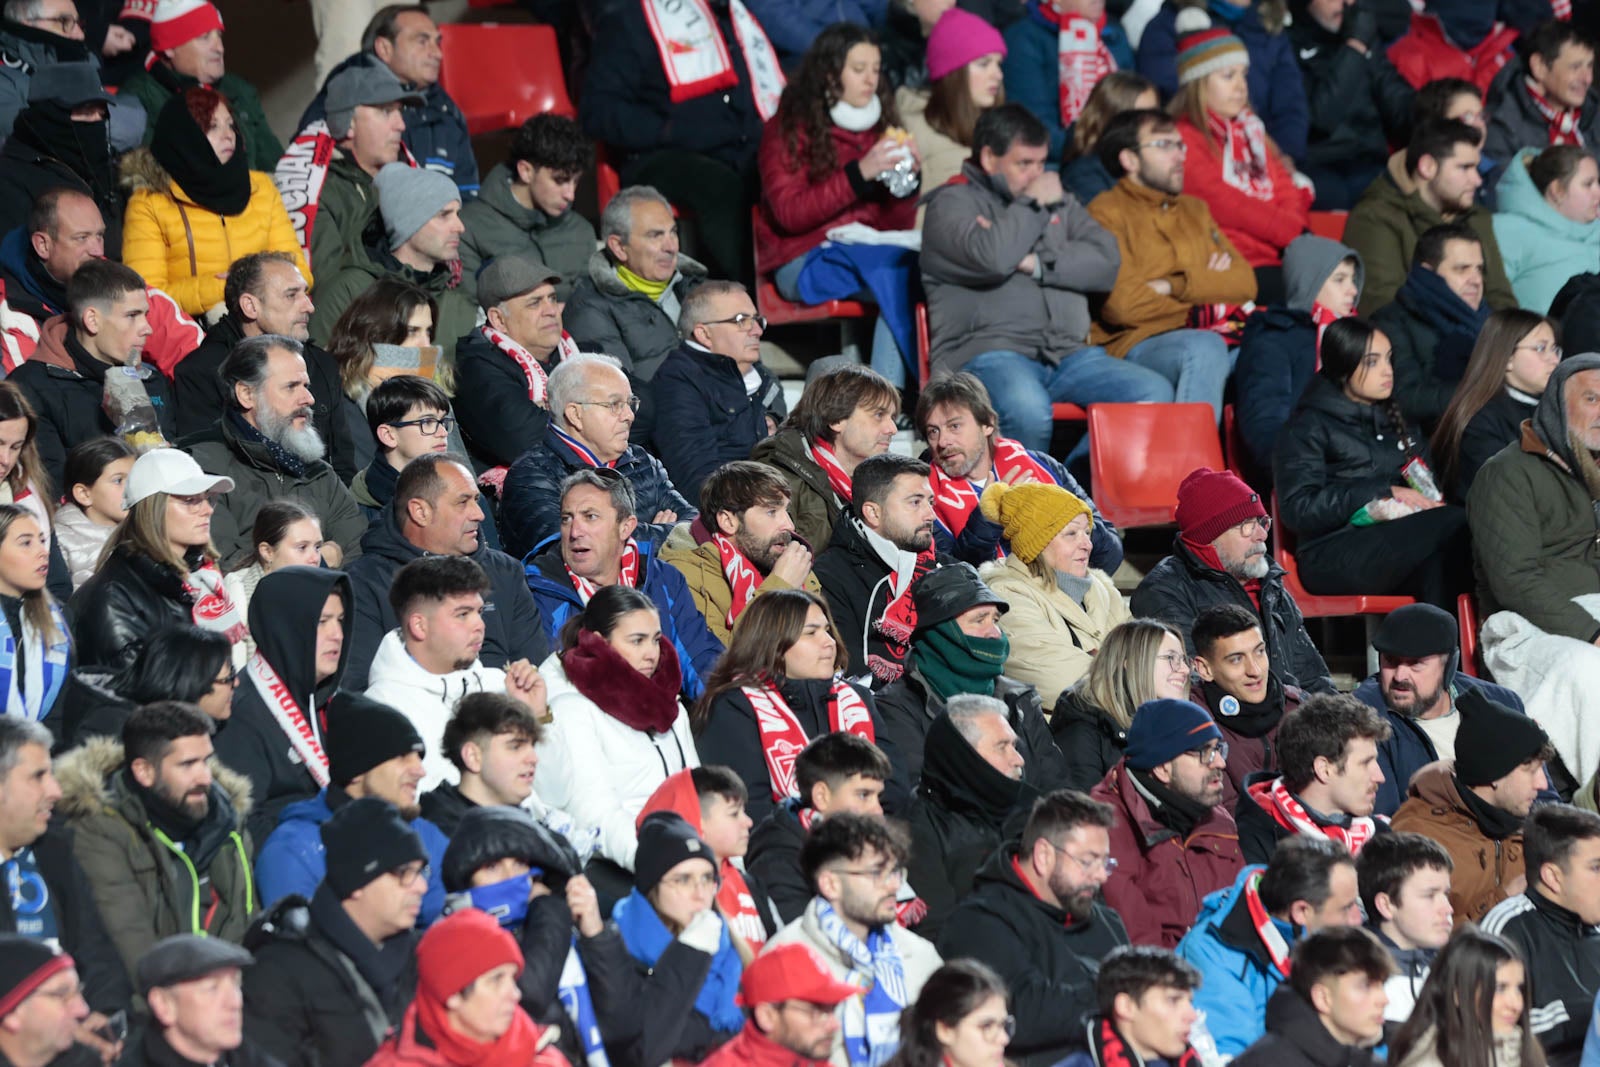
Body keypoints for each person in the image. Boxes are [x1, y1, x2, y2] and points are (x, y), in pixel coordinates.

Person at [918, 104, 1175, 457]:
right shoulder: (951, 204)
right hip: (986, 355)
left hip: (1067, 354)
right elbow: (993, 258)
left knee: (1152, 392)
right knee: (1027, 408)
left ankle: (1073, 480)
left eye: (1041, 164)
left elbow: (1106, 262)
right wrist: (1032, 205)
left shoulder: (1058, 200)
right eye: (1024, 164)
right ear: (989, 158)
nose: (1036, 175)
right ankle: (1026, 493)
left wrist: (1035, 263)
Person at [756, 24, 920, 387]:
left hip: (867, 253)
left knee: (922, 270)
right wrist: (859, 174)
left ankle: (897, 395)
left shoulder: (880, 128)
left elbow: (895, 225)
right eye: (858, 69)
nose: (870, 80)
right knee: (896, 276)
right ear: (830, 74)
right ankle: (887, 400)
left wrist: (907, 183)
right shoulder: (787, 128)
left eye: (875, 69)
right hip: (802, 258)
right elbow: (788, 212)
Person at [1273, 317, 1472, 611]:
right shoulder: (1307, 426)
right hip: (1332, 550)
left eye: (1389, 359)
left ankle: (1446, 642)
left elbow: (1426, 483)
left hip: (1400, 538)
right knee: (1458, 524)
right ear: (1343, 366)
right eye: (1372, 362)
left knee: (1444, 565)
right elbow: (1298, 509)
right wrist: (1381, 491)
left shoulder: (1397, 418)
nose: (1387, 370)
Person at [54, 701, 253, 980]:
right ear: (144, 772)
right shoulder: (102, 831)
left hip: (229, 989)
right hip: (156, 995)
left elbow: (244, 924)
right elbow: (133, 946)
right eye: (188, 764)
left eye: (206, 761)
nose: (205, 778)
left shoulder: (227, 822)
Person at [578, 0, 772, 285]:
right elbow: (597, 112)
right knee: (721, 186)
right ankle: (745, 292)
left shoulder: (730, 16)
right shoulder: (629, 20)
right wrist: (670, 130)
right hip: (661, 154)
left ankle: (794, 291)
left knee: (783, 172)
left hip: (734, 146)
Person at [1086, 106, 1258, 422]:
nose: (1180, 156)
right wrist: (1206, 296)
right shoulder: (1105, 213)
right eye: (1165, 145)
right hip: (1137, 342)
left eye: (1180, 145)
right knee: (1204, 348)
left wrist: (1172, 285)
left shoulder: (1196, 210)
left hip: (1210, 331)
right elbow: (1123, 305)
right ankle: (1193, 456)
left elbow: (1245, 282)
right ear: (1130, 160)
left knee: (1273, 347)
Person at [937, 789, 1129, 1066]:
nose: (1101, 876)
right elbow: (1022, 1012)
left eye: (1105, 863)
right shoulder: (978, 922)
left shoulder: (1107, 922)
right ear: (1043, 855)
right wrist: (1123, 995)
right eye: (1088, 862)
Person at [694, 588, 909, 822]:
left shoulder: (856, 699)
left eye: (827, 630)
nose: (829, 642)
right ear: (774, 644)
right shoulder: (734, 707)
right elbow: (748, 808)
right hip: (784, 842)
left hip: (874, 835)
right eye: (811, 633)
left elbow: (895, 787)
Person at [242, 797, 425, 1067]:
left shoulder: (425, 956)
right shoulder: (279, 972)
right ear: (358, 881)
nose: (420, 886)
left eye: (420, 872)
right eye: (404, 872)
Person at [344, 453, 546, 691]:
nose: (479, 514)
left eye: (476, 500)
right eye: (462, 502)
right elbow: (359, 689)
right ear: (420, 512)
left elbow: (534, 672)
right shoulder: (362, 583)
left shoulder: (506, 571)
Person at [533, 585, 700, 872]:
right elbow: (594, 813)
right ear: (599, 643)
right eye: (637, 641)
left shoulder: (671, 707)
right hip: (620, 867)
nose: (651, 654)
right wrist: (659, 864)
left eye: (656, 640)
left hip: (689, 857)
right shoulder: (573, 710)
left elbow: (700, 793)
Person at [1131, 465, 1336, 694]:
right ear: (1208, 539)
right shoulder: (1164, 592)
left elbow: (1313, 678)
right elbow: (1196, 688)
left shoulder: (1270, 584)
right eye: (1246, 526)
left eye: (1262, 522)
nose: (1262, 535)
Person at [255, 691, 449, 924]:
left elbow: (452, 926)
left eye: (418, 757)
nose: (420, 770)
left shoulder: (427, 836)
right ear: (356, 771)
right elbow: (303, 941)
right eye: (402, 756)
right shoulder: (296, 849)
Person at [525, 469, 721, 698]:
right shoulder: (536, 591)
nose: (575, 532)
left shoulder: (663, 579)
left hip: (662, 711)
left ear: (626, 527)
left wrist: (730, 704)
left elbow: (700, 659)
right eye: (566, 519)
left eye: (590, 517)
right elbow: (545, 685)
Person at [766, 813, 942, 1067]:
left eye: (895, 871)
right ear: (830, 884)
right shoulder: (783, 960)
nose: (894, 885)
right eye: (876, 873)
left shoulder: (921, 955)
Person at [875, 562, 1070, 790]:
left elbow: (1059, 791)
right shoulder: (896, 707)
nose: (995, 633)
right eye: (979, 620)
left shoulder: (1020, 699)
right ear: (942, 631)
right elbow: (919, 797)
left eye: (995, 620)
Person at [119, 88, 308, 319]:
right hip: (195, 329)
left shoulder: (261, 188)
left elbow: (300, 271)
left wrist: (251, 284)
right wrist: (226, 287)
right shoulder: (150, 203)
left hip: (267, 318)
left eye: (230, 125)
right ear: (185, 136)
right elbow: (147, 296)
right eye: (212, 127)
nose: (228, 135)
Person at [363, 556, 546, 789]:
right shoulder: (381, 711)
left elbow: (556, 795)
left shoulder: (502, 685)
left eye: (480, 612)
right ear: (419, 625)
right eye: (462, 614)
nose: (480, 625)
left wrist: (536, 717)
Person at [186, 334, 365, 569]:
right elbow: (222, 563)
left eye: (306, 386)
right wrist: (323, 558)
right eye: (291, 387)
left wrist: (283, 561)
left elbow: (359, 547)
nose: (309, 399)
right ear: (247, 394)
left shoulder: (319, 472)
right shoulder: (202, 468)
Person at [1176, 836, 1364, 1058]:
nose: (1358, 919)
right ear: (1302, 911)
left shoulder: (1326, 937)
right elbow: (1236, 1058)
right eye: (1346, 908)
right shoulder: (1211, 954)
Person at [498, 353, 695, 561]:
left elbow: (697, 528)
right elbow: (579, 551)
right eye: (614, 405)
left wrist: (634, 539)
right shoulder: (532, 476)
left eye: (630, 403)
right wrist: (665, 538)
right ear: (575, 415)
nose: (629, 415)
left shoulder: (641, 461)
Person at [170, 252, 349, 479]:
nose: (309, 306)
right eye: (291, 295)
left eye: (305, 293)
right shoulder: (202, 372)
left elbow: (343, 462)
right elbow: (206, 467)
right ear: (250, 306)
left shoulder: (321, 364)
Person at [916, 372, 1120, 571]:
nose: (943, 441)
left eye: (954, 426)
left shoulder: (1042, 466)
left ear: (987, 424)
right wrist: (987, 519)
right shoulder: (921, 494)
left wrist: (1059, 513)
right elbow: (949, 578)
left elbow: (1110, 556)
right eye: (933, 431)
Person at [0, 718, 130, 1026]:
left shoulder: (55, 851)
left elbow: (98, 954)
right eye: (38, 776)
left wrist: (102, 1014)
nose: (56, 791)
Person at [1168, 11, 1313, 282]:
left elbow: (1284, 185)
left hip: (1281, 252)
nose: (1241, 87)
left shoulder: (1251, 129)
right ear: (1198, 84)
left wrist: (1296, 231)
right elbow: (1226, 204)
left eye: (1243, 75)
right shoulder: (1184, 137)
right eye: (1228, 76)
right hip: (1234, 261)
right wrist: (1293, 232)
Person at [7, 258, 175, 490]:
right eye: (132, 316)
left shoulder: (152, 380)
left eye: (146, 315)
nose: (147, 328)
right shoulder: (31, 388)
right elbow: (52, 486)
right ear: (92, 320)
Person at [66, 448, 240, 671]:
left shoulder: (202, 576)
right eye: (190, 500)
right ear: (153, 509)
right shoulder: (113, 599)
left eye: (208, 499)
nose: (207, 510)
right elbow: (137, 686)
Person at [212, 565, 350, 844]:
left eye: (340, 620)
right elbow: (245, 826)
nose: (337, 634)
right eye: (322, 622)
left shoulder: (329, 700)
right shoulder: (241, 712)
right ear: (286, 629)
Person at [1352, 602, 1531, 817]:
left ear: (1449, 666)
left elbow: (1541, 797)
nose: (1399, 676)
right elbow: (1386, 817)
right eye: (1390, 661)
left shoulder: (1501, 703)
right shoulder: (1364, 715)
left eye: (1416, 663)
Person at [1092, 698, 1245, 948]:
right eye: (1205, 752)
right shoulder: (1106, 826)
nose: (1220, 762)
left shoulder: (1217, 818)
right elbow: (1138, 943)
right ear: (1163, 768)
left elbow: (1244, 914)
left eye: (1219, 749)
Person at [1392, 689, 1552, 924]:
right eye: (1531, 770)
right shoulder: (1417, 836)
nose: (1543, 784)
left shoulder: (1536, 832)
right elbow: (1415, 933)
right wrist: (1503, 903)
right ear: (1494, 773)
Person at [307, 162, 475, 378]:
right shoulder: (350, 290)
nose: (460, 226)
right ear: (407, 221)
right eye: (444, 215)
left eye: (457, 214)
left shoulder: (459, 301)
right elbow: (319, 377)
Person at [297, 5, 478, 199]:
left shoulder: (447, 110)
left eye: (437, 42)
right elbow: (307, 185)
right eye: (422, 41)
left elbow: (467, 195)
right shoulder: (342, 98)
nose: (438, 53)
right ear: (385, 48)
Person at [976, 481, 1130, 707]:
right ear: (1038, 543)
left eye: (1087, 532)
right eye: (1071, 533)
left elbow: (1149, 657)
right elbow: (1062, 681)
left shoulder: (1102, 588)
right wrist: (1129, 671)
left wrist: (1102, 662)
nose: (1087, 544)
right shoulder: (1006, 597)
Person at [563, 186, 708, 421]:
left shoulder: (697, 286)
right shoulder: (590, 308)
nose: (671, 246)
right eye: (655, 235)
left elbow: (749, 365)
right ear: (619, 247)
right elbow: (623, 404)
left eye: (673, 232)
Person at [1344, 118, 1515, 315]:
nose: (1477, 180)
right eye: (1464, 168)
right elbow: (1381, 306)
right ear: (1427, 167)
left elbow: (1500, 297)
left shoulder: (1477, 217)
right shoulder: (1376, 216)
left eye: (1476, 168)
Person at [613, 811, 746, 1062]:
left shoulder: (729, 951)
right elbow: (642, 1049)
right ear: (652, 887)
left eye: (707, 878)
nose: (700, 893)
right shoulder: (613, 951)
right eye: (683, 880)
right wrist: (689, 954)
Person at [364, 907, 568, 1067]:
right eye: (496, 979)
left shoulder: (544, 1058)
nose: (516, 994)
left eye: (513, 978)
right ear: (451, 993)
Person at [904, 694, 1036, 943]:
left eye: (1014, 746)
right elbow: (937, 932)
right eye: (1002, 746)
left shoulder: (1030, 808)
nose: (1018, 759)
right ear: (964, 756)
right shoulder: (919, 830)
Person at [274, 63, 419, 287]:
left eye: (400, 111)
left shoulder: (407, 175)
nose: (400, 125)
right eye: (386, 111)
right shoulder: (316, 191)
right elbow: (332, 287)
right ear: (348, 123)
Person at [1235, 235, 1365, 474]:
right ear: (1308, 284)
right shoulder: (1273, 340)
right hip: (1310, 475)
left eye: (1353, 279)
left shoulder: (1361, 337)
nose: (1353, 290)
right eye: (1339, 279)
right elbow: (1265, 429)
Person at [1483, 805, 1600, 1066]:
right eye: (1596, 868)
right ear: (1553, 877)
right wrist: (1590, 1014)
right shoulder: (1504, 930)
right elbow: (1488, 1028)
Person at [814, 453, 946, 686]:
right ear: (873, 513)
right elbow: (850, 670)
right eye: (915, 502)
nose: (931, 515)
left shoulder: (948, 568)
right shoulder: (830, 575)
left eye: (930, 502)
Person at [660, 460, 822, 648]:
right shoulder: (682, 577)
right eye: (771, 512)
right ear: (728, 522)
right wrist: (779, 589)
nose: (789, 525)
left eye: (786, 511)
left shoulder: (781, 558)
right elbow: (721, 660)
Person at [650, 283, 786, 504]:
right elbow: (698, 481)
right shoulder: (677, 382)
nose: (757, 330)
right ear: (704, 334)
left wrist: (774, 417)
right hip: (733, 508)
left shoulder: (758, 374)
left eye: (756, 320)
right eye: (741, 320)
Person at [747, 731, 894, 925]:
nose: (878, 811)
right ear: (822, 796)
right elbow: (800, 936)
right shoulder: (779, 859)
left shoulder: (868, 845)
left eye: (878, 797)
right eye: (863, 795)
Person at [1136, 0, 1309, 161]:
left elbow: (1291, 102)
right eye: (1228, 75)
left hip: (1268, 151)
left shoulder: (1270, 25)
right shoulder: (1167, 26)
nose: (1240, 86)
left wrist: (1285, 154)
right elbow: (1177, 95)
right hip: (1200, 148)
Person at [752, 364, 900, 552]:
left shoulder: (886, 479)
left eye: (892, 417)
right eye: (879, 415)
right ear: (836, 420)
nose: (892, 429)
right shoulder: (780, 476)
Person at [118, 0, 278, 170]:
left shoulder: (238, 90)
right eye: (204, 37)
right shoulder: (139, 103)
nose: (219, 48)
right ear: (169, 47)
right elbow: (147, 178)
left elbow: (276, 166)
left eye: (219, 35)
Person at [450, 255, 572, 477]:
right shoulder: (476, 369)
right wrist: (600, 415)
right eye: (535, 303)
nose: (551, 310)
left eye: (552, 298)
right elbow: (525, 440)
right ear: (499, 320)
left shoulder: (579, 351)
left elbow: (637, 410)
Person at [1286, 0, 1415, 210]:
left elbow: (1396, 99)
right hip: (1317, 163)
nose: (1345, 3)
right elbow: (1321, 117)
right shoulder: (1289, 45)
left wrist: (1436, 112)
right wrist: (1355, 47)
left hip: (1369, 161)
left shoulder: (1364, 38)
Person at [1235, 693, 1392, 865]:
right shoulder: (1252, 840)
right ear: (1324, 770)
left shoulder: (1380, 837)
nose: (1380, 777)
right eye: (1365, 763)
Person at [637, 766, 775, 952]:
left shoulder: (751, 885)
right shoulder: (666, 904)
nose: (748, 822)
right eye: (734, 814)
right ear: (694, 822)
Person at [1371, 223, 1493, 426]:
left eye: (1479, 269)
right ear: (1428, 273)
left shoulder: (1492, 322)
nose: (1476, 280)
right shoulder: (1391, 323)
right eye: (1462, 269)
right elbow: (1405, 399)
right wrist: (1485, 392)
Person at [1430, 309, 1560, 499]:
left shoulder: (1555, 407)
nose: (1554, 359)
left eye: (1555, 349)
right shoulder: (1480, 419)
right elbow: (1511, 488)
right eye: (1540, 348)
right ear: (1507, 358)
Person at [460, 113, 594, 297]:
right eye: (559, 180)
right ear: (526, 171)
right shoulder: (470, 226)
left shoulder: (581, 231)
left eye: (576, 181)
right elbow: (466, 304)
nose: (570, 195)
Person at [1052, 618, 1192, 791]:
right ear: (1131, 663)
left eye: (1183, 659)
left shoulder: (1176, 722)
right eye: (1171, 658)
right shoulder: (1082, 725)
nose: (1185, 670)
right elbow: (1084, 803)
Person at [0, 63, 123, 256]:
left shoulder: (107, 171)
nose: (96, 122)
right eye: (87, 112)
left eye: (101, 114)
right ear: (51, 115)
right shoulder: (10, 180)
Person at [1230, 926, 1394, 1067]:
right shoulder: (1264, 1062)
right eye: (1366, 986)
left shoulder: (1371, 1062)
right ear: (1323, 998)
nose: (1384, 1000)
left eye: (1382, 985)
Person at [53, 623, 232, 750]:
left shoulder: (178, 728)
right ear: (190, 683)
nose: (236, 682)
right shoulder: (117, 740)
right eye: (228, 678)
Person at [1189, 604, 1301, 808]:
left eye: (1259, 652)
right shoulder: (1193, 725)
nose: (1255, 670)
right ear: (1205, 669)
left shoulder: (1299, 708)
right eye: (1236, 659)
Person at [1390, 923, 1548, 1067]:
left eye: (1519, 988)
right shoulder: (1427, 1062)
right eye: (1500, 988)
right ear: (1458, 994)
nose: (1516, 1004)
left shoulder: (1521, 1042)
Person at [351, 374, 490, 533]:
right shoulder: (357, 510)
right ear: (388, 435)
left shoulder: (467, 491)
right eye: (427, 422)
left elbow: (491, 547)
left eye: (443, 421)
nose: (443, 432)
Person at [0, 0, 143, 150]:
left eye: (79, 24)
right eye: (64, 22)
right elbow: (34, 136)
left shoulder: (82, 61)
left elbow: (130, 123)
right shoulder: (5, 83)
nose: (79, 35)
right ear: (27, 25)